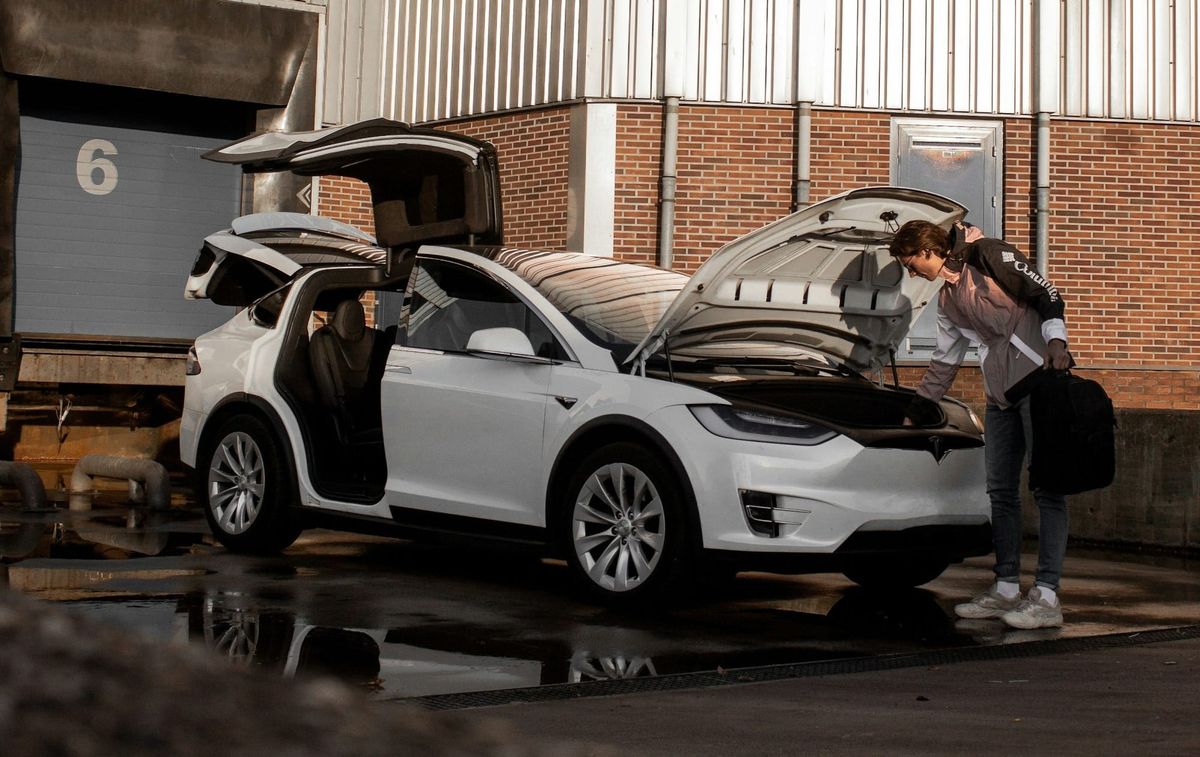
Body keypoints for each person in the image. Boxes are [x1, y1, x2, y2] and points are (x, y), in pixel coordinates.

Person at [890, 220, 1073, 629]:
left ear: (927, 250)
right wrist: (917, 410)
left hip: (1039, 381)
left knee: (1048, 489)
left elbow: (1045, 293)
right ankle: (1006, 589)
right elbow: (944, 361)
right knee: (1001, 493)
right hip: (1000, 397)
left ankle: (1047, 596)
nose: (912, 273)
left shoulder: (989, 254)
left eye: (911, 264)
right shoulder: (947, 299)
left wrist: (1056, 342)